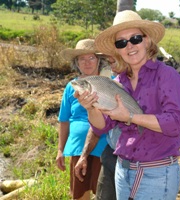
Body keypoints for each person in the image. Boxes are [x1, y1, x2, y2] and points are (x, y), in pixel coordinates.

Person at [75, 10, 180, 200]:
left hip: (156, 174)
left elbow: (175, 123)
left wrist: (131, 117)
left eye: (135, 38)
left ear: (147, 40)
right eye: (121, 42)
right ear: (117, 49)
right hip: (123, 170)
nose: (129, 46)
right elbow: (103, 126)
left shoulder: (166, 75)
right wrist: (91, 108)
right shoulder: (117, 82)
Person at [56, 39, 108, 200]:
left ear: (99, 60)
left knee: (104, 194)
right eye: (82, 59)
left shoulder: (108, 83)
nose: (87, 62)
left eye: (91, 58)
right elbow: (64, 120)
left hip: (104, 147)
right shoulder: (71, 86)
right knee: (79, 195)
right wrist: (60, 150)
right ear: (76, 63)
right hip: (78, 147)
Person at [75, 56, 120, 200]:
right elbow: (98, 127)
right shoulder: (113, 82)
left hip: (128, 159)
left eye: (91, 58)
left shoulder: (111, 84)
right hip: (109, 156)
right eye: (111, 60)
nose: (87, 62)